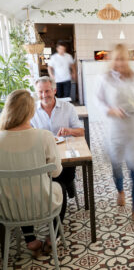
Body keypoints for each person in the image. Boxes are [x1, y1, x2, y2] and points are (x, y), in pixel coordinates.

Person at [0, 90, 65, 257]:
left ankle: (31, 240)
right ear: (31, 111)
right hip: (42, 204)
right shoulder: (44, 136)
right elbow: (56, 172)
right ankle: (52, 239)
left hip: (8, 208)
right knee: (61, 187)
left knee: (17, 190)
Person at [97, 44, 134, 226]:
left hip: (133, 129)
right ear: (113, 60)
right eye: (117, 58)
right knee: (117, 166)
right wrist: (111, 110)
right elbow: (99, 102)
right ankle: (120, 190)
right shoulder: (105, 79)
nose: (120, 62)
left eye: (123, 58)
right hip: (115, 129)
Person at [31, 76, 84, 199]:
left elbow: (81, 131)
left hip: (65, 156)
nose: (44, 95)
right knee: (52, 181)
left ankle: (63, 188)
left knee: (62, 179)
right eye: (40, 92)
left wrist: (69, 130)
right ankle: (62, 190)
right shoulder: (31, 110)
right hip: (42, 157)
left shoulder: (68, 107)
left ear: (54, 90)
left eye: (47, 91)